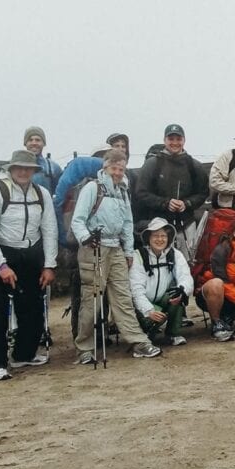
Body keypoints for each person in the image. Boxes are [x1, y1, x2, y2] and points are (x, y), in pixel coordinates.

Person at [0, 150, 59, 381]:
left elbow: (50, 229)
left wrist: (49, 265)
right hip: (1, 254)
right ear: (10, 169)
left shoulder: (41, 193)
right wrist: (0, 265)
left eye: (28, 168)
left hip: (31, 256)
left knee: (33, 308)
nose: (23, 172)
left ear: (34, 171)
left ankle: (24, 354)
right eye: (18, 167)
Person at [70, 149, 158, 363]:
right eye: (114, 168)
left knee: (123, 297)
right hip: (94, 248)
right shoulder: (92, 188)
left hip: (116, 247)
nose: (118, 173)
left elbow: (127, 223)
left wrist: (128, 250)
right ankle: (84, 347)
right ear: (105, 167)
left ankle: (138, 341)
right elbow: (77, 220)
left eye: (121, 169)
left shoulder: (123, 190)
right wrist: (86, 238)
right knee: (92, 300)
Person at [134, 123, 209, 257]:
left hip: (187, 225)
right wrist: (165, 203)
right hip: (158, 226)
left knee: (188, 263)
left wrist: (187, 203)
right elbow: (141, 192)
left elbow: (203, 193)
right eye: (171, 139)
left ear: (184, 140)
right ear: (164, 140)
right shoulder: (152, 164)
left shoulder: (194, 165)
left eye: (178, 139)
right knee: (160, 262)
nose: (175, 142)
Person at [131, 218, 197, 346]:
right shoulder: (138, 256)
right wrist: (149, 311)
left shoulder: (175, 254)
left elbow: (185, 277)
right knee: (151, 320)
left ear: (169, 238)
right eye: (155, 236)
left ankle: (172, 335)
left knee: (177, 294)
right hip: (143, 305)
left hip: (162, 299)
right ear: (148, 237)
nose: (160, 239)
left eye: (163, 236)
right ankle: (146, 333)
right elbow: (136, 289)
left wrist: (182, 291)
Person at [23, 126, 63, 195]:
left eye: (37, 140)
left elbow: (60, 193)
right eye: (30, 140)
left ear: (44, 143)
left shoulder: (53, 168)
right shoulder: (15, 166)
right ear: (25, 143)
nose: (34, 143)